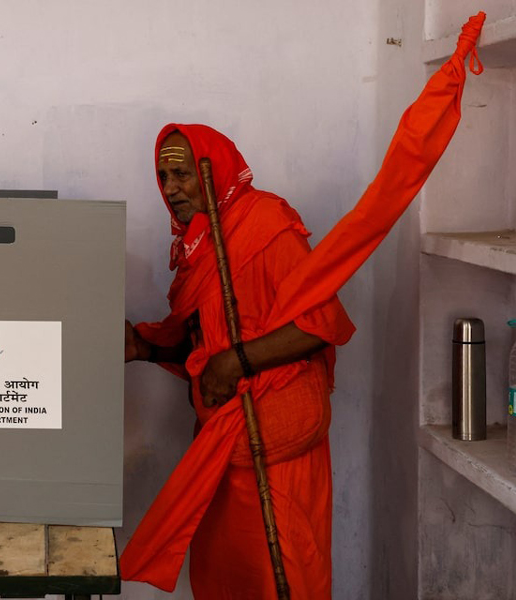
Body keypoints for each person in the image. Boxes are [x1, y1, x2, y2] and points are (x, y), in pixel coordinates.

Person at [124, 123, 355, 599]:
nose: (171, 190)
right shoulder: (199, 246)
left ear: (214, 170)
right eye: (163, 177)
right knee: (228, 576)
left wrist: (235, 362)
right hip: (226, 447)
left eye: (182, 174)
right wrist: (145, 348)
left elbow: (319, 322)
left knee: (284, 577)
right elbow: (203, 345)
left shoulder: (265, 223)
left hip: (280, 443)